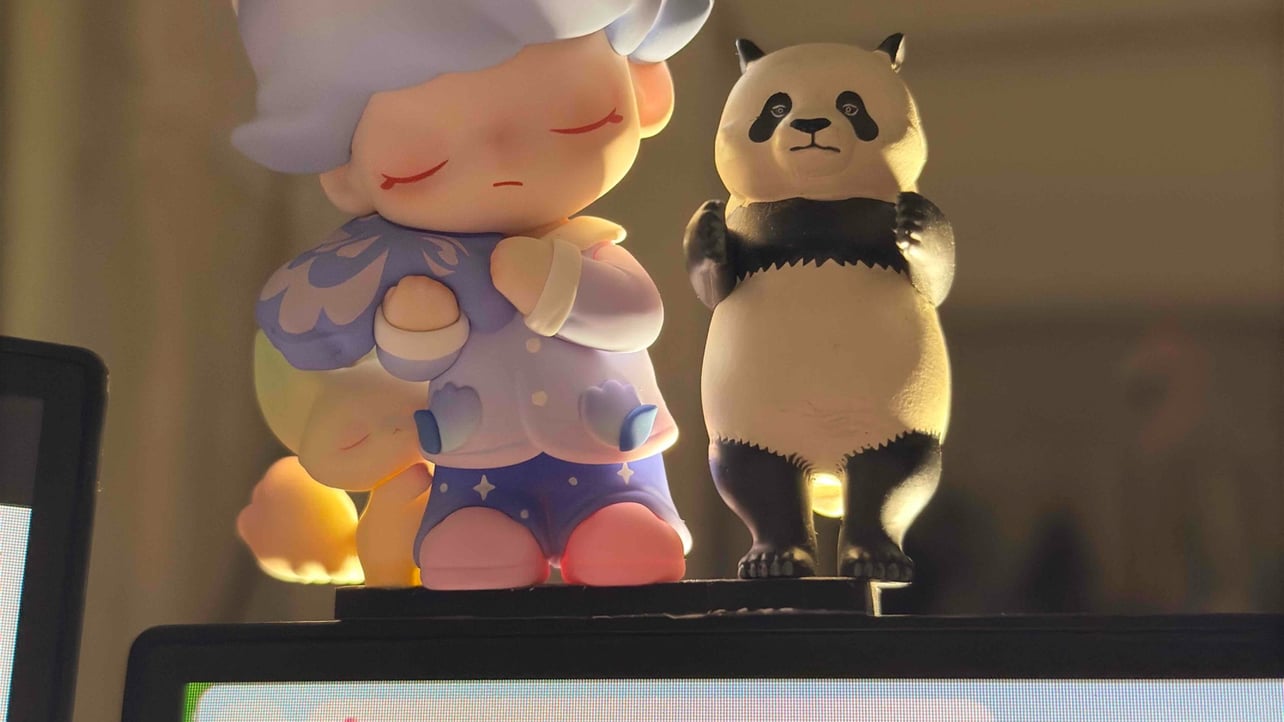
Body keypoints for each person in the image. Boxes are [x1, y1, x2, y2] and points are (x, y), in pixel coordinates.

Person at [232, 0, 712, 590]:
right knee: (474, 551)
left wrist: (555, 285)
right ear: (346, 173)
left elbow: (638, 318)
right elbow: (412, 369)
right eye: (424, 156)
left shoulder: (591, 248)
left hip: (606, 451)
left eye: (570, 120)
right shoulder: (425, 270)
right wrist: (416, 328)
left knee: (623, 542)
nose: (502, 155)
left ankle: (621, 523)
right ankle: (479, 533)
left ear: (646, 94)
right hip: (477, 461)